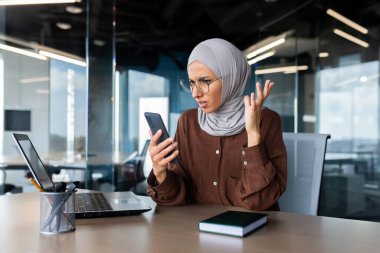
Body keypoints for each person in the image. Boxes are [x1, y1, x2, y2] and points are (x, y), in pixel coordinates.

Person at [146, 38, 287, 211]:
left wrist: (252, 134)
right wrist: (160, 171)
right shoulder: (188, 121)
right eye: (192, 83)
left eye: (205, 81)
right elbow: (176, 199)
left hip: (253, 231)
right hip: (196, 229)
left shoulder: (266, 120)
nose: (196, 93)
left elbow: (259, 202)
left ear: (231, 79)